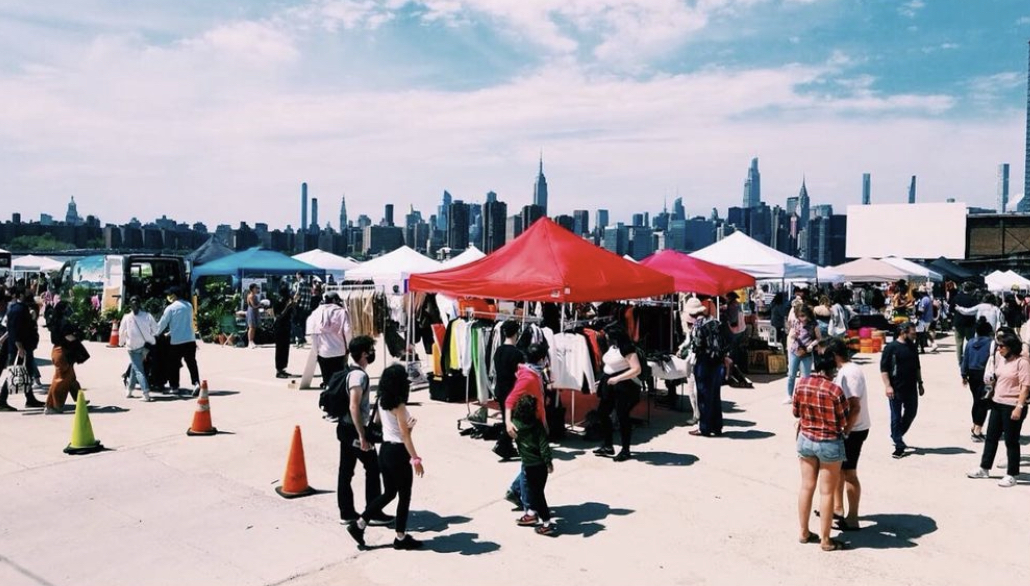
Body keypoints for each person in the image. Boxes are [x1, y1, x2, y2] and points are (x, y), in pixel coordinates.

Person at [346, 364, 424, 550]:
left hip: (385, 452)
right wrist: (416, 459)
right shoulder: (399, 406)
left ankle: (360, 524)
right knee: (404, 495)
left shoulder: (381, 401)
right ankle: (400, 536)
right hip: (398, 452)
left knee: (389, 493)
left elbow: (379, 424)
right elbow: (405, 435)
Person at [793, 343, 849, 552]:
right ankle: (826, 540)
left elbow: (796, 412)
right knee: (826, 493)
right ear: (832, 369)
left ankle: (804, 532)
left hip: (806, 439)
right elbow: (843, 420)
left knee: (806, 486)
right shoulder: (835, 390)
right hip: (829, 443)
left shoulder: (802, 384)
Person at [336, 335, 391, 526]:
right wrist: (362, 436)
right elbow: (354, 407)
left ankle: (346, 512)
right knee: (372, 467)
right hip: (353, 430)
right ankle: (373, 512)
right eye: (370, 350)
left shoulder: (350, 371)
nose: (372, 353)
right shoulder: (359, 376)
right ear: (363, 353)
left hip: (345, 428)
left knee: (346, 470)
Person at [967, 330, 1030, 488]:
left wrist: (1019, 407)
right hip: (997, 403)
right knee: (991, 438)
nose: (998, 349)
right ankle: (984, 468)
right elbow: (997, 378)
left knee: (1011, 440)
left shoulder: (1022, 362)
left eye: (1001, 346)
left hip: (1013, 405)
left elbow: (1025, 387)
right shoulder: (1000, 359)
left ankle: (1012, 474)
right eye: (998, 346)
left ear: (1010, 347)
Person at [827, 338, 869, 532]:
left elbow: (855, 406)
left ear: (835, 355)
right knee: (839, 471)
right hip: (850, 429)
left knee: (849, 472)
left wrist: (846, 431)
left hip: (854, 430)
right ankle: (838, 509)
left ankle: (852, 517)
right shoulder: (846, 370)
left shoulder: (849, 373)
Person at [504, 344, 549, 511]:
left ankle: (516, 491)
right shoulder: (528, 377)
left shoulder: (534, 373)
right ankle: (528, 505)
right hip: (528, 428)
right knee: (528, 466)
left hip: (535, 423)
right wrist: (508, 423)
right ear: (541, 359)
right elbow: (510, 400)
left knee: (529, 464)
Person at [594, 327, 642, 461]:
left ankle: (625, 450)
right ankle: (608, 445)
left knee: (622, 417)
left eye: (608, 335)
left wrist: (618, 378)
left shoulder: (627, 348)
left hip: (624, 386)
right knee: (603, 413)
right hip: (609, 383)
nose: (606, 337)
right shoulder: (613, 347)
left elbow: (636, 369)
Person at [512, 395, 556, 536]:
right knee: (537, 492)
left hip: (529, 466)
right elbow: (544, 446)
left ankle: (547, 523)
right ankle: (531, 513)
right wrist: (548, 462)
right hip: (541, 466)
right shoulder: (537, 425)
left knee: (536, 495)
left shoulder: (515, 424)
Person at [881, 321, 923, 459]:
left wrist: (920, 383)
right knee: (896, 417)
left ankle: (896, 434)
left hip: (911, 387)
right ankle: (899, 445)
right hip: (896, 388)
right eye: (912, 332)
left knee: (911, 413)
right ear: (903, 332)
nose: (914, 334)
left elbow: (917, 366)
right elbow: (884, 369)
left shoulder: (912, 347)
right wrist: (888, 386)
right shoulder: (891, 348)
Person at [0, 289, 45, 410]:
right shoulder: (17, 310)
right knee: (14, 373)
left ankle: (30, 399)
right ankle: (1, 400)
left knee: (26, 373)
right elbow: (14, 330)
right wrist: (19, 347)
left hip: (24, 347)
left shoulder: (22, 308)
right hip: (19, 348)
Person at [689, 303, 729, 437]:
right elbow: (724, 342)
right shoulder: (715, 322)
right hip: (717, 362)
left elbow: (696, 345)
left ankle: (705, 427)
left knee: (703, 396)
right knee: (715, 395)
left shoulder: (698, 325)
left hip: (704, 362)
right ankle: (717, 426)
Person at [155, 286, 201, 397]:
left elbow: (162, 324)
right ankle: (196, 382)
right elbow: (184, 323)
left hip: (177, 342)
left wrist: (155, 334)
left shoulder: (170, 308)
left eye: (170, 294)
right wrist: (170, 332)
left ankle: (174, 387)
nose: (169, 296)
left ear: (174, 295)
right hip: (190, 340)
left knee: (173, 364)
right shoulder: (189, 306)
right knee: (191, 362)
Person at [492, 320, 525, 460]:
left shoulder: (498, 351)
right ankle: (503, 444)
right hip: (511, 390)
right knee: (512, 419)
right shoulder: (517, 353)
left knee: (508, 418)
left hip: (500, 389)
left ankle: (506, 446)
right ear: (516, 333)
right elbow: (520, 375)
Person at [44, 300, 83, 414]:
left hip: (58, 351)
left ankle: (79, 399)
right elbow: (68, 337)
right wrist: (77, 337)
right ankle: (52, 405)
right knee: (60, 380)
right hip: (63, 352)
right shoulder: (64, 322)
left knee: (70, 377)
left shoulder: (55, 321)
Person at [118, 296, 158, 401]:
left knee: (138, 369)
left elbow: (121, 332)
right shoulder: (147, 316)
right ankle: (130, 389)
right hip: (146, 346)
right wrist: (150, 335)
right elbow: (156, 329)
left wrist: (121, 342)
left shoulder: (126, 317)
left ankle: (146, 393)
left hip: (133, 347)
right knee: (135, 367)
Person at [961, 318, 995, 441]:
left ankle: (975, 425)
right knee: (984, 402)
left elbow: (964, 359)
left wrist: (963, 375)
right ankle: (977, 430)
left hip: (972, 375)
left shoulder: (970, 342)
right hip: (985, 376)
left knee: (976, 401)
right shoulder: (992, 343)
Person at [310, 293, 351, 386]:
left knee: (327, 379)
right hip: (339, 351)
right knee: (339, 380)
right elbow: (348, 331)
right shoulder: (341, 312)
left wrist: (315, 349)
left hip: (323, 352)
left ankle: (327, 391)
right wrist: (349, 346)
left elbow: (313, 333)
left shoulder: (317, 312)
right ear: (334, 301)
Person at [785, 304, 821, 404]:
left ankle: (804, 397)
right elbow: (791, 333)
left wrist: (812, 345)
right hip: (795, 350)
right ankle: (789, 395)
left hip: (807, 352)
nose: (801, 318)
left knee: (805, 377)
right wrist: (792, 335)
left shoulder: (814, 324)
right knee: (791, 374)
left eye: (803, 315)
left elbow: (819, 338)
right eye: (799, 315)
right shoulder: (796, 322)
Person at [951, 282, 978, 366]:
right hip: (970, 323)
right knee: (970, 342)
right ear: (971, 290)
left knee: (959, 344)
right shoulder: (973, 299)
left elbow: (950, 309)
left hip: (958, 323)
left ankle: (960, 362)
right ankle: (970, 360)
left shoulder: (956, 297)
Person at [272, 283, 295, 379]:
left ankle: (283, 368)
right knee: (280, 348)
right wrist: (287, 307)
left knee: (286, 348)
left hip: (287, 326)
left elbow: (293, 313)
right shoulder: (278, 301)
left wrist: (293, 304)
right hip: (280, 326)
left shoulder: (287, 301)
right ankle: (278, 369)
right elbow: (279, 316)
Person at [291, 273, 313, 348]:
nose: (296, 277)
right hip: (307, 306)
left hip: (300, 306)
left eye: (297, 275)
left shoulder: (300, 283)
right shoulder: (308, 283)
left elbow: (298, 294)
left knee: (293, 322)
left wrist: (292, 301)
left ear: (299, 275)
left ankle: (301, 338)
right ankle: (301, 340)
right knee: (302, 323)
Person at [245, 283, 261, 349]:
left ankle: (252, 341)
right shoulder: (250, 296)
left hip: (255, 312)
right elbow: (253, 305)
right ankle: (249, 342)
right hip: (251, 311)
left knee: (254, 327)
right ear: (252, 289)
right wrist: (259, 305)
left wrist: (261, 304)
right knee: (251, 327)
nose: (256, 289)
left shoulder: (256, 296)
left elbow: (257, 305)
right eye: (255, 288)